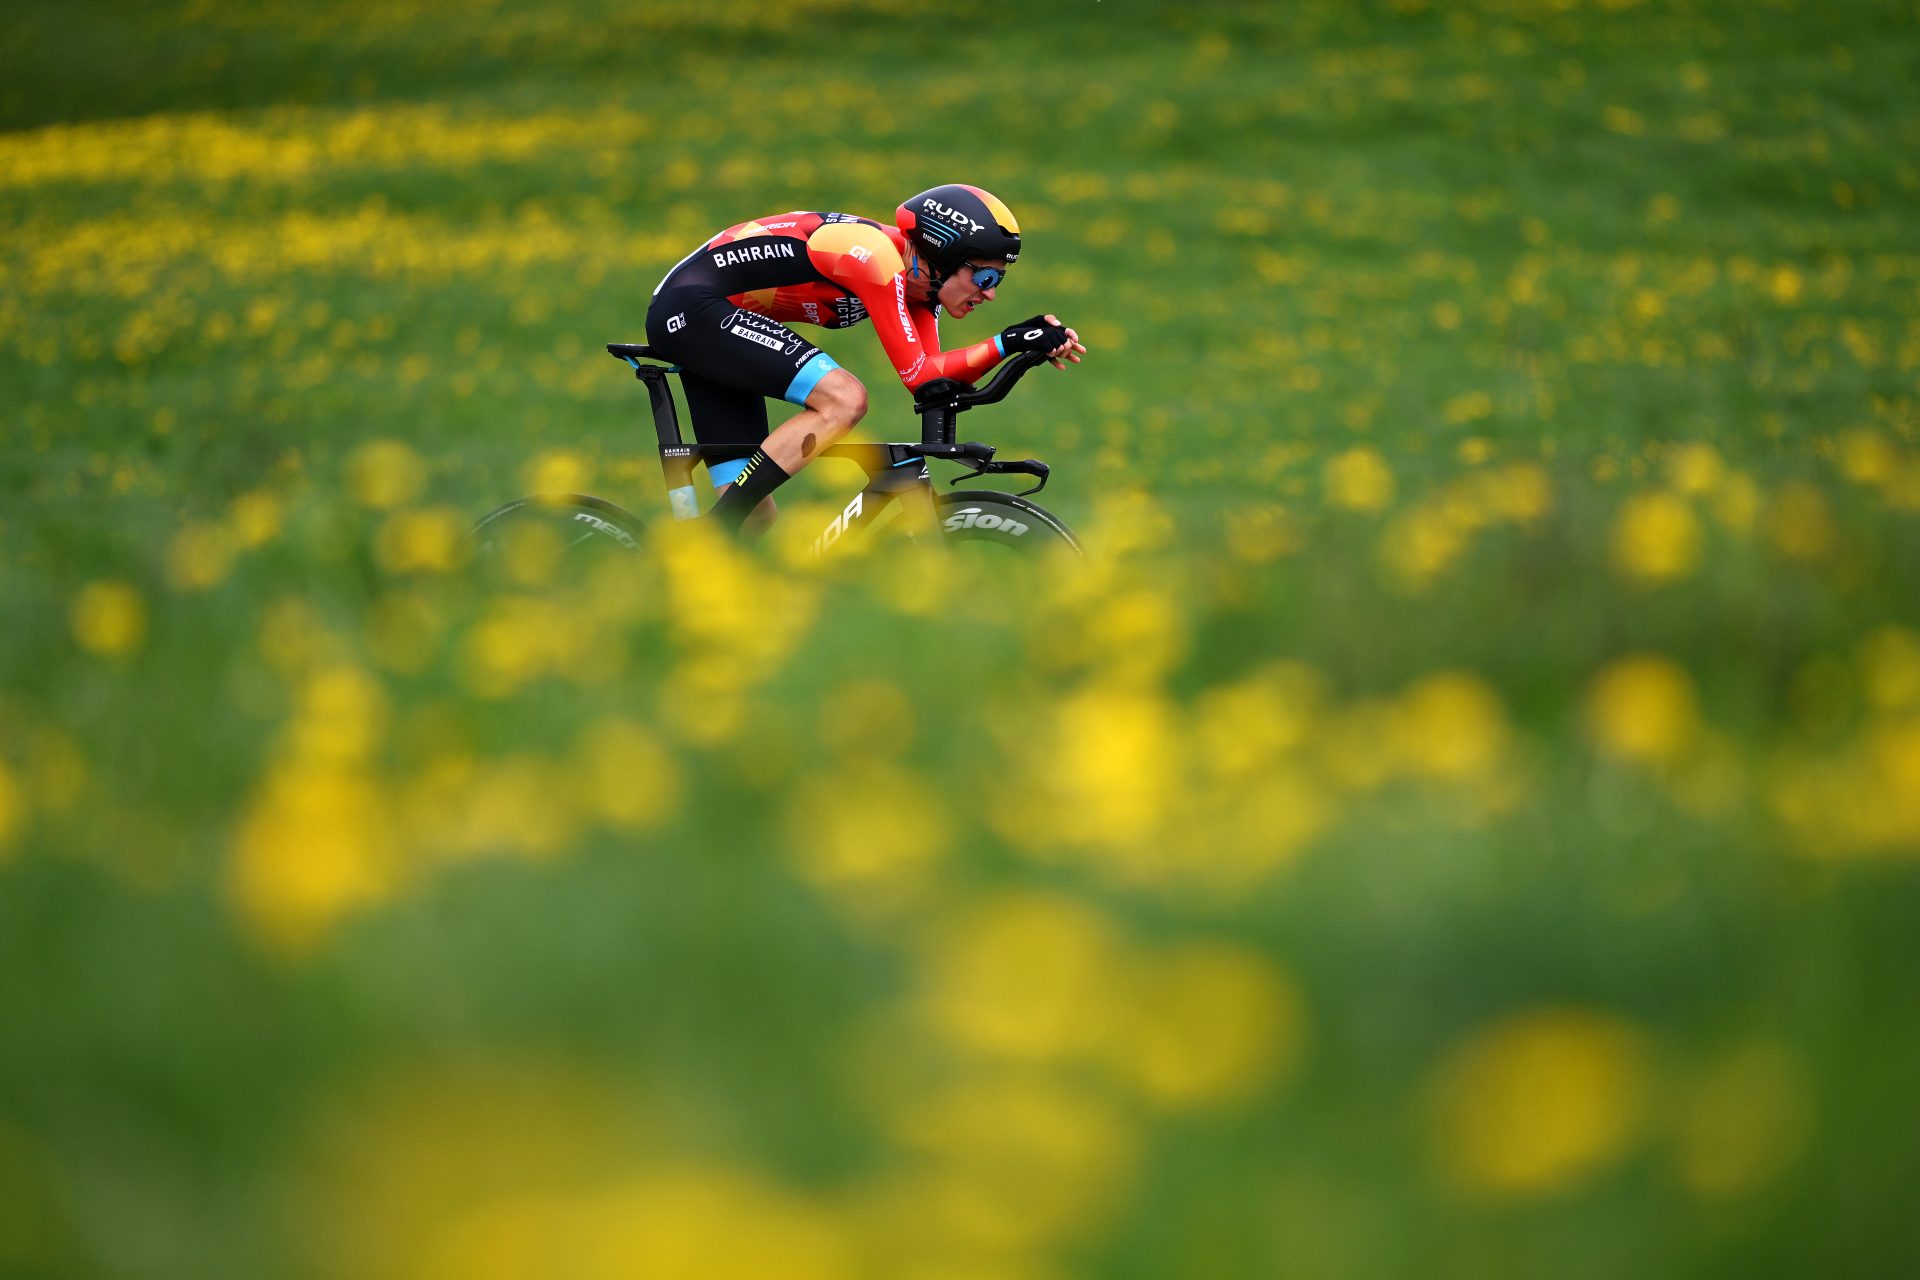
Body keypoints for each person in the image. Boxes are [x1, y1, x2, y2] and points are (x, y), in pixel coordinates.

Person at [645, 184, 1086, 534]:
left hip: (716, 325)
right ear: (942, 255)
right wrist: (1008, 341)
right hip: (691, 310)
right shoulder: (874, 258)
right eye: (985, 275)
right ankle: (714, 532)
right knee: (844, 399)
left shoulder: (920, 288)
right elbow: (920, 374)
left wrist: (1022, 347)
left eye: (999, 280)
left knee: (756, 520)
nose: (990, 292)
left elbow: (932, 381)